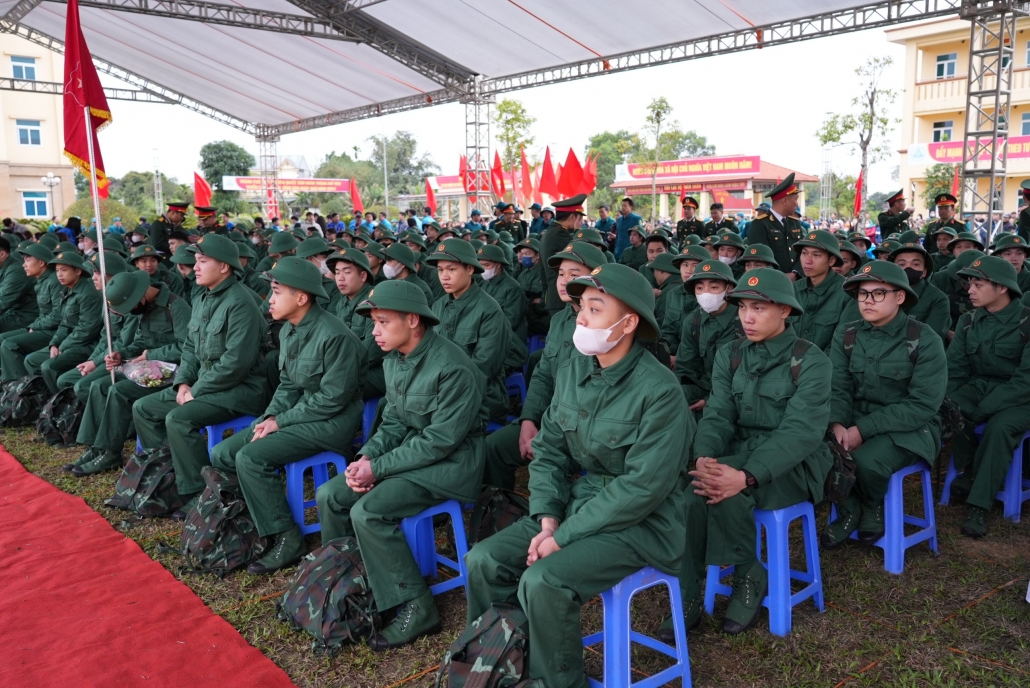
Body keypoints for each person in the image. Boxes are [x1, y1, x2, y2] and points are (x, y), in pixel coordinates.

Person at [465, 263, 690, 688]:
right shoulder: (575, 369)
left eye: (595, 308)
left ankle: (557, 682)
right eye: (581, 307)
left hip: (644, 522)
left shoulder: (660, 391)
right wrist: (548, 516)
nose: (582, 318)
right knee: (485, 560)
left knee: (544, 579)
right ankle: (502, 660)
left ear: (628, 323)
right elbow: (548, 450)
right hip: (579, 503)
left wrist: (562, 537)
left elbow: (642, 488)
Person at [315, 280, 486, 650]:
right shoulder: (395, 358)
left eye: (382, 322)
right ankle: (350, 583)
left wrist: (379, 467)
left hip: (451, 465)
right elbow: (393, 422)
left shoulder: (452, 368)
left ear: (412, 320)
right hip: (411, 455)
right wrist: (366, 457)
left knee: (369, 511)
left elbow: (440, 441)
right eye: (373, 322)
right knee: (331, 493)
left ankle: (416, 607)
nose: (374, 332)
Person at [674, 267, 832, 636]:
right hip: (739, 451)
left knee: (729, 493)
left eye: (759, 308)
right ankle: (687, 592)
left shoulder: (810, 360)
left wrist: (744, 475)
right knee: (694, 491)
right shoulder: (730, 353)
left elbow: (800, 433)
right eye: (743, 307)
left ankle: (749, 574)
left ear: (785, 311)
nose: (747, 316)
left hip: (794, 464)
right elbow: (717, 414)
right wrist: (705, 456)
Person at [212, 258, 365, 574]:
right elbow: (287, 386)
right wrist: (269, 416)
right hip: (299, 415)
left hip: (331, 423)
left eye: (277, 292)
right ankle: (255, 522)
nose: (269, 299)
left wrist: (280, 421)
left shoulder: (335, 336)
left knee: (251, 457)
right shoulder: (290, 332)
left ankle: (286, 538)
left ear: (301, 298)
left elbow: (331, 400)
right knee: (224, 452)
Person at [132, 235, 270, 519]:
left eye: (202, 261)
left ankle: (198, 494)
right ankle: (169, 475)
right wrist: (183, 381)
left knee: (179, 419)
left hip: (239, 389)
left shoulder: (240, 302)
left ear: (224, 267)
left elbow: (236, 364)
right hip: (203, 384)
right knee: (144, 408)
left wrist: (196, 388)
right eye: (195, 261)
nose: (195, 266)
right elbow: (191, 347)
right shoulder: (203, 296)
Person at [823, 261, 946, 547]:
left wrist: (862, 430)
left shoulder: (923, 339)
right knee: (818, 448)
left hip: (910, 427)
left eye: (878, 293)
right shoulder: (847, 333)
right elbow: (837, 386)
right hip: (854, 418)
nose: (867, 301)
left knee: (868, 461)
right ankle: (850, 509)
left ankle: (872, 505)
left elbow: (922, 404)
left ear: (899, 297)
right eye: (862, 294)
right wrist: (838, 423)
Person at [482, 241, 607, 491]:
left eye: (574, 275)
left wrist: (548, 432)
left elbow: (595, 395)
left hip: (586, 430)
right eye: (561, 274)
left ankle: (550, 522)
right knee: (492, 449)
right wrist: (529, 419)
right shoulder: (561, 319)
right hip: (552, 417)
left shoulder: (605, 325)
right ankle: (502, 508)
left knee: (549, 465)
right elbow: (543, 376)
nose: (563, 281)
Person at [69, 268, 192, 476]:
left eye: (131, 305)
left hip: (173, 374)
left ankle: (110, 453)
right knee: (99, 385)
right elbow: (139, 342)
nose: (132, 309)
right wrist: (120, 353)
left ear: (141, 294)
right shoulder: (145, 308)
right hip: (147, 371)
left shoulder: (176, 306)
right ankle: (97, 446)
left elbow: (188, 348)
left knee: (120, 391)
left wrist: (151, 353)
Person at [946, 256, 1030, 538]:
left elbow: (1025, 380)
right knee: (952, 407)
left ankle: (979, 506)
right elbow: (955, 369)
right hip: (980, 386)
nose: (970, 290)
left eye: (978, 284)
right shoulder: (969, 321)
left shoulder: (1027, 322)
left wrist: (984, 408)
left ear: (1002, 288)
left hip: (1022, 396)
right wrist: (949, 399)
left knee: (999, 427)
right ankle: (969, 471)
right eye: (970, 283)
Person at [426, 239, 513, 424]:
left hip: (479, 396)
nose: (444, 276)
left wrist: (438, 389)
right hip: (439, 391)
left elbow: (482, 368)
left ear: (470, 269)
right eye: (440, 270)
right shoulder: (438, 306)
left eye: (451, 269)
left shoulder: (489, 311)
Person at [18, 252, 102, 394]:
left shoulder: (88, 294)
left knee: (48, 366)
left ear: (77, 271)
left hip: (87, 344)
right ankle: (43, 398)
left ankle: (60, 402)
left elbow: (87, 330)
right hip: (70, 341)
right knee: (32, 360)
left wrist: (63, 346)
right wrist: (55, 344)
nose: (59, 275)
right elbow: (64, 323)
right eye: (57, 271)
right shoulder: (68, 290)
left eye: (64, 270)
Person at [674, 260, 742, 416]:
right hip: (704, 385)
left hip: (737, 390)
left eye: (714, 287)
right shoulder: (693, 321)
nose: (706, 293)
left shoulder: (744, 321)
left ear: (729, 288)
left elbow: (746, 373)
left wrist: (709, 399)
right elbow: (685, 366)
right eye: (699, 288)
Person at [328, 247, 385, 400]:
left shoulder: (375, 302)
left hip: (375, 371)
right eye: (337, 272)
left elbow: (372, 353)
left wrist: (334, 366)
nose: (340, 278)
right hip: (346, 367)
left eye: (347, 272)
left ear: (363, 276)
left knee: (334, 386)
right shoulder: (342, 303)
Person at [791, 230, 858, 351]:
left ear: (831, 261)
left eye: (816, 255)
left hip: (825, 366)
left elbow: (842, 344)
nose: (808, 260)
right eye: (804, 253)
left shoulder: (847, 294)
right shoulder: (793, 290)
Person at [745, 173, 805, 276]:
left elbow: (803, 251)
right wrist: (782, 276)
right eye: (795, 199)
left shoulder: (794, 223)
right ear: (785, 200)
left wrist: (796, 273)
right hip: (772, 280)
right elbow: (762, 257)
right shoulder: (759, 224)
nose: (797, 204)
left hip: (797, 280)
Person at [660, 245, 712, 354]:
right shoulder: (673, 294)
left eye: (695, 265)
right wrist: (668, 353)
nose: (688, 270)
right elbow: (668, 330)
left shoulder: (712, 296)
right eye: (685, 265)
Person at [540, 195, 587, 317]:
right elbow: (583, 254)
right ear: (572, 217)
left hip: (553, 296)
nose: (581, 223)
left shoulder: (549, 232)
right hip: (562, 297)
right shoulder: (560, 234)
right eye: (580, 219)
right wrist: (578, 232)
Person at [478, 244, 527, 343]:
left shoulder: (512, 288)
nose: (483, 269)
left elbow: (510, 321)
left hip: (508, 343)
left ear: (498, 265)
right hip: (487, 337)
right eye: (481, 265)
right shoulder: (483, 283)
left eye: (487, 265)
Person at [0, 236, 38, 333]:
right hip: (12, 312)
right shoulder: (5, 266)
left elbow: (3, 301)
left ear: (2, 254)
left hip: (24, 316)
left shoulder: (17, 270)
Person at [649, 251, 683, 326]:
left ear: (661, 271)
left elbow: (662, 324)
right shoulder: (680, 284)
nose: (654, 274)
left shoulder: (669, 291)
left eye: (654, 270)